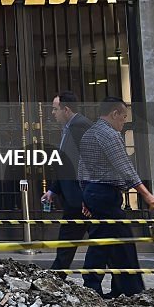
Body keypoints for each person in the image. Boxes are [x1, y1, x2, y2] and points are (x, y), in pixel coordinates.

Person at [77, 96, 154, 297]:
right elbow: (125, 168)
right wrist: (147, 195)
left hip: (94, 192)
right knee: (115, 240)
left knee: (109, 240)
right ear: (114, 114)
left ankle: (111, 288)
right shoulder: (109, 134)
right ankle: (119, 289)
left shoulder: (90, 134)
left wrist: (85, 196)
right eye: (123, 117)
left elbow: (81, 169)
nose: (123, 123)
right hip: (104, 193)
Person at [41, 91, 93, 269]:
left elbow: (88, 163)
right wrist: (53, 190)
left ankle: (57, 276)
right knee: (77, 240)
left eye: (55, 109)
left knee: (94, 242)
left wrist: (86, 195)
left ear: (67, 110)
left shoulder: (80, 128)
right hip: (76, 197)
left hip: (81, 198)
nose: (53, 113)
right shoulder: (70, 128)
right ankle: (58, 275)